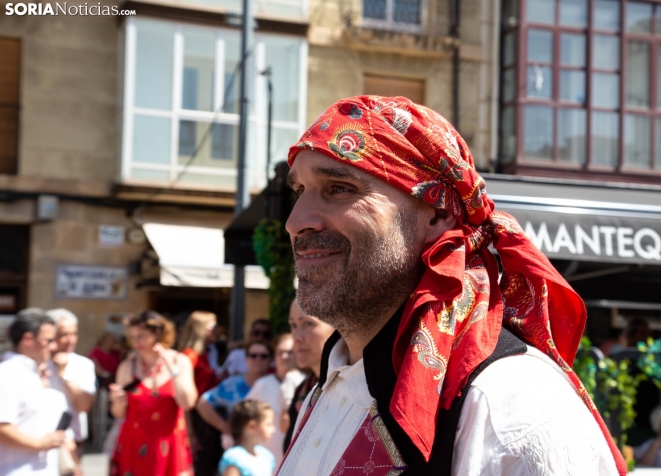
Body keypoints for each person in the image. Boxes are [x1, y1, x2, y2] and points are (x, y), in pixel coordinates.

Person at [276, 96, 626, 475]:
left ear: (437, 214)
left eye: (339, 188)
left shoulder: (511, 406)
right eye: (300, 191)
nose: (296, 222)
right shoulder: (327, 387)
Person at [109, 310, 197, 476]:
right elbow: (119, 413)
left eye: (141, 336)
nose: (136, 342)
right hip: (133, 442)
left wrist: (174, 372)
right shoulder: (128, 366)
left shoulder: (180, 361)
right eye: (132, 336)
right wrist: (117, 400)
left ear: (158, 334)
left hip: (168, 443)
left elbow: (188, 403)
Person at [0, 308, 69, 475]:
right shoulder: (8, 373)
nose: (54, 346)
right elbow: (2, 427)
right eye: (49, 340)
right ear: (28, 339)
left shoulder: (32, 373)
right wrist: (40, 444)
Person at [283, 299, 334, 452]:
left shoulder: (356, 389)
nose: (297, 337)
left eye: (308, 324)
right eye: (293, 325)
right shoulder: (303, 391)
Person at [245, 333, 304, 463]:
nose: (284, 357)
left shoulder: (307, 384)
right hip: (264, 463)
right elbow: (244, 418)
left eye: (290, 352)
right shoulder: (262, 384)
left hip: (296, 461)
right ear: (274, 357)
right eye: (280, 352)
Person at [197, 340, 272, 439]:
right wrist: (225, 427)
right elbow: (203, 403)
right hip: (238, 445)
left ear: (271, 359)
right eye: (253, 355)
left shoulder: (277, 384)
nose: (258, 359)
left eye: (263, 356)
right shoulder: (232, 384)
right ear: (246, 359)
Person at [177, 311, 221, 476]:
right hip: (196, 421)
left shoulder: (206, 353)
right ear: (201, 329)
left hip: (208, 417)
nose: (217, 330)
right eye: (213, 326)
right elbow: (184, 399)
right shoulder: (189, 356)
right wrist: (190, 433)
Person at [46, 308, 96, 447]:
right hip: (41, 438)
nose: (70, 340)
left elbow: (85, 405)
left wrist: (63, 375)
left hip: (73, 441)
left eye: (74, 334)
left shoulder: (84, 364)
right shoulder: (38, 363)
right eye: (64, 334)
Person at [219, 400, 276, 476]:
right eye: (268, 424)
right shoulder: (235, 457)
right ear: (251, 427)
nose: (273, 430)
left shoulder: (266, 456)